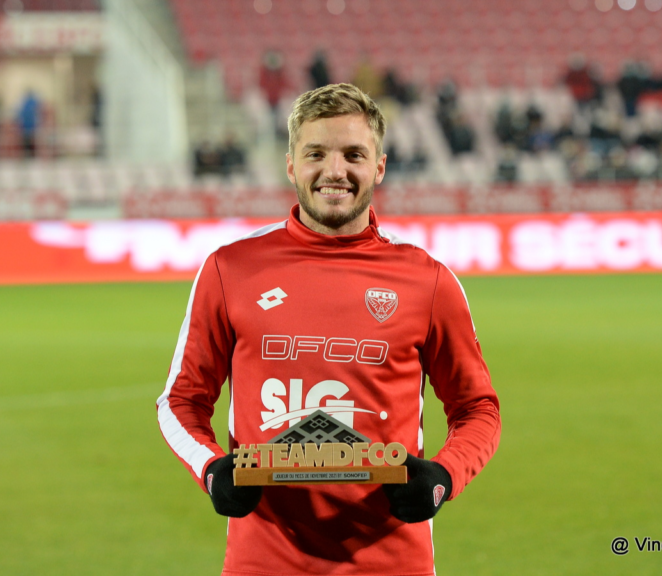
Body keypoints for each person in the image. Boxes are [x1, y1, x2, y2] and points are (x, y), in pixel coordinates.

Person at [156, 83, 500, 576]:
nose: (334, 171)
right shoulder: (230, 270)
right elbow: (179, 401)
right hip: (264, 561)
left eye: (353, 154)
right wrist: (211, 470)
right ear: (291, 164)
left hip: (391, 562)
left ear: (378, 166)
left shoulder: (428, 281)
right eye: (316, 153)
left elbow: (478, 408)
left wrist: (443, 476)